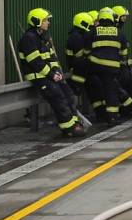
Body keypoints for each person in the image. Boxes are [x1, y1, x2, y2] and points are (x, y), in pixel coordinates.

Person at [18, 8, 86, 137]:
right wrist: (51, 74)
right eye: (46, 20)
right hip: (38, 76)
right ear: (37, 21)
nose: (48, 22)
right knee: (57, 96)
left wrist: (56, 71)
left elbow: (52, 58)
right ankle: (68, 128)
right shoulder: (29, 39)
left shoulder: (43, 37)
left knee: (68, 93)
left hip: (50, 75)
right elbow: (35, 62)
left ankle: (75, 122)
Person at [86, 7, 129, 126]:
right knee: (111, 92)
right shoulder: (119, 33)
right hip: (112, 68)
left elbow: (86, 51)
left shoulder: (93, 32)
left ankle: (100, 114)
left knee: (97, 89)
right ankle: (112, 118)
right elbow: (124, 54)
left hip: (95, 66)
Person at [66, 12, 107, 123]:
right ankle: (100, 114)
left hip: (83, 70)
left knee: (96, 90)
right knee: (92, 89)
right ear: (83, 23)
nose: (93, 26)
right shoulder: (76, 37)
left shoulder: (78, 35)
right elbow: (80, 56)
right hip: (79, 71)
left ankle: (101, 114)